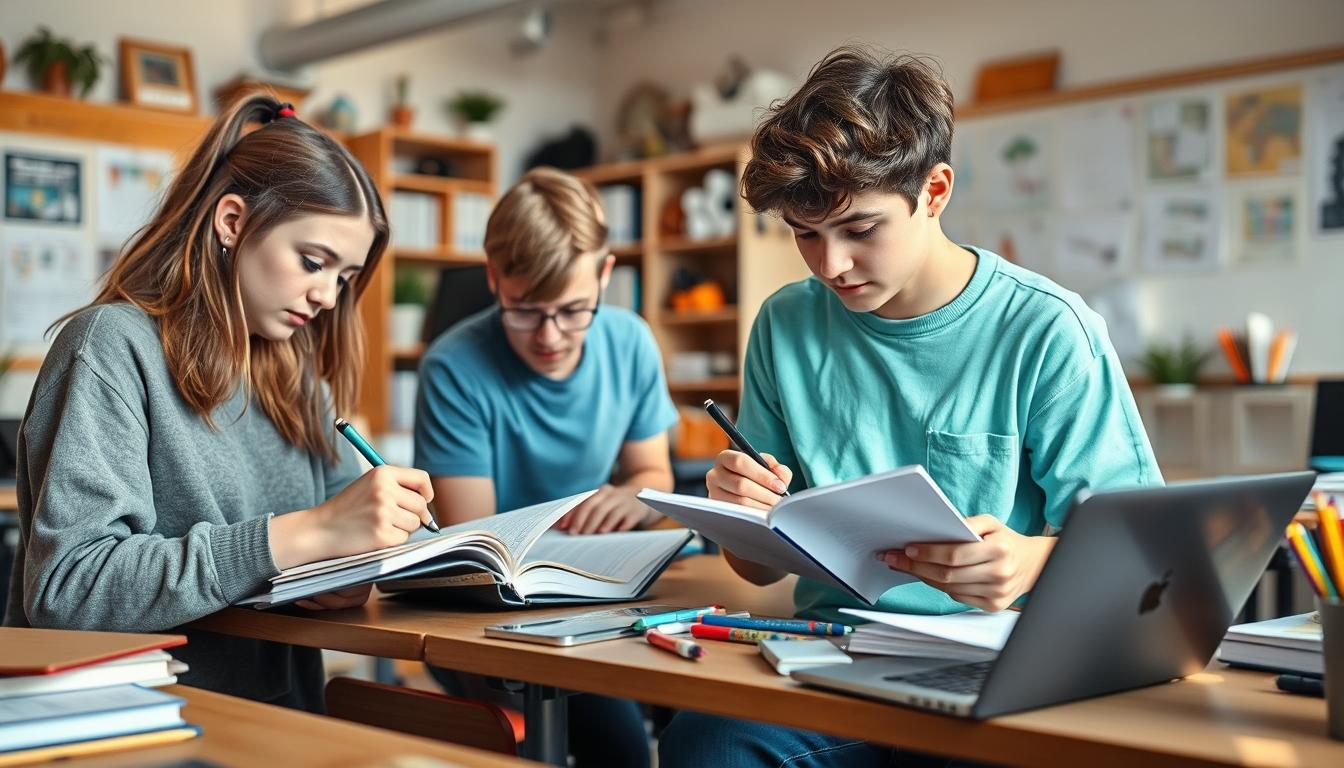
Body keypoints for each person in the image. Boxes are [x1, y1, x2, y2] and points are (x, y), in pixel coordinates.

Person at [658, 44, 1162, 767]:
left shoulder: (1048, 330)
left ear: (935, 191)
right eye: (805, 235)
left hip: (998, 666)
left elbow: (1142, 560)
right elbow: (759, 570)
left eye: (860, 230)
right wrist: (740, 515)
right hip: (835, 657)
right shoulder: (784, 325)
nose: (831, 265)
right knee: (706, 746)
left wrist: (1032, 563)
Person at [5, 95, 436, 713]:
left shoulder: (297, 380)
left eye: (344, 278)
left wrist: (352, 570)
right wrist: (306, 533)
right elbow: (70, 589)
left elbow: (346, 542)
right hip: (134, 718)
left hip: (280, 716)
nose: (326, 296)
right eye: (312, 262)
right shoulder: (110, 346)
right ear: (232, 221)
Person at [415, 166, 677, 766]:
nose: (551, 336)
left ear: (606, 274)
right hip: (486, 610)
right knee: (589, 743)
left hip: (595, 598)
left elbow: (653, 473)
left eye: (575, 309)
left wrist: (634, 497)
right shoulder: (453, 367)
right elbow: (477, 543)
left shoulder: (631, 342)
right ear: (494, 279)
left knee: (632, 746)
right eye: (526, 311)